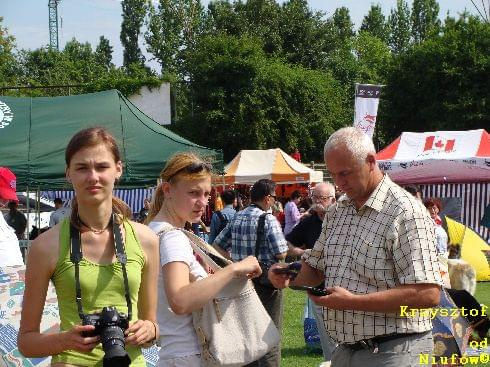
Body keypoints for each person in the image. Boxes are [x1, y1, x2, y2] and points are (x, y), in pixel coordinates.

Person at [269, 127, 443, 367]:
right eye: (333, 175)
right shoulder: (338, 211)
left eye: (345, 173)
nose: (339, 184)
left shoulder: (406, 212)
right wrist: (287, 274)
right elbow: (316, 269)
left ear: (371, 162)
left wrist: (352, 301)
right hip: (345, 351)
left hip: (397, 351)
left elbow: (428, 294)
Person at [18, 127, 160, 366]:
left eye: (102, 167)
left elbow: (152, 326)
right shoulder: (45, 246)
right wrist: (65, 341)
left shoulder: (146, 240)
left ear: (118, 169)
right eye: (82, 168)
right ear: (68, 174)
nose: (93, 177)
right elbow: (26, 342)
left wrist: (149, 330)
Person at [145, 152, 261, 367]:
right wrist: (233, 270)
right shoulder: (172, 237)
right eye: (193, 193)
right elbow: (180, 300)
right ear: (168, 190)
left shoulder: (151, 231)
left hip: (175, 353)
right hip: (188, 354)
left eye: (206, 194)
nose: (202, 202)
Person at [214, 179, 288, 367]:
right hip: (266, 284)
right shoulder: (267, 218)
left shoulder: (238, 216)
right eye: (274, 196)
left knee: (245, 333)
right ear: (267, 198)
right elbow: (281, 252)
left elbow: (217, 246)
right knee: (268, 333)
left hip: (241, 283)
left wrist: (234, 263)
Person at [286, 182, 337, 364]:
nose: (316, 202)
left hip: (343, 290)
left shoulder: (342, 220)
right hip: (318, 291)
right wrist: (301, 252)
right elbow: (287, 243)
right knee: (328, 345)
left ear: (333, 199)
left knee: (345, 344)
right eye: (313, 197)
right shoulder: (309, 222)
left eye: (320, 198)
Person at [0, 167, 24, 267]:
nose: (6, 201)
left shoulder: (2, 216)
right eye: (2, 195)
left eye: (8, 198)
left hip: (12, 279)